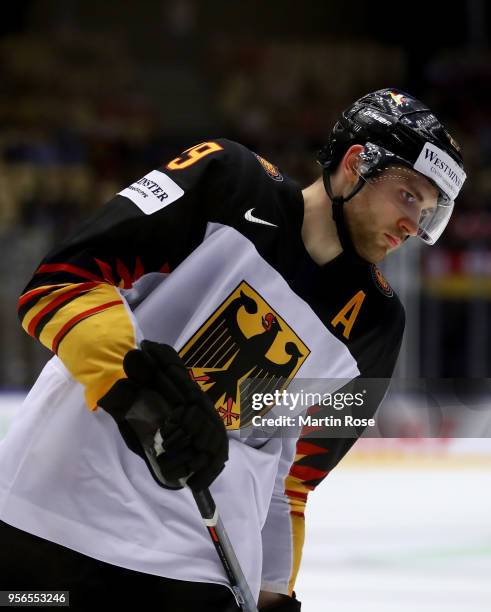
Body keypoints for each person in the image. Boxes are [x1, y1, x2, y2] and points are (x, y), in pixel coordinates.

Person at [0, 88, 466, 611]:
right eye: (408, 195)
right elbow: (61, 284)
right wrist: (147, 400)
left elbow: (292, 485)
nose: (413, 225)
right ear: (356, 165)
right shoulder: (226, 179)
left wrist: (273, 595)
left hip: (190, 573)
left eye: (428, 212)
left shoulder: (377, 329)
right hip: (51, 521)